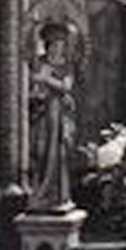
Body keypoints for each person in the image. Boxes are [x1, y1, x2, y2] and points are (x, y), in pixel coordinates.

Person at [30, 22, 77, 209]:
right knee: (40, 150)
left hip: (58, 113)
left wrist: (46, 79)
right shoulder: (40, 63)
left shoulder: (66, 66)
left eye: (61, 45)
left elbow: (66, 86)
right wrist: (38, 86)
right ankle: (40, 193)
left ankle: (58, 195)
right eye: (55, 45)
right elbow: (34, 85)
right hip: (42, 113)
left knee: (56, 152)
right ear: (48, 46)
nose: (58, 49)